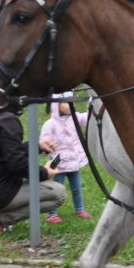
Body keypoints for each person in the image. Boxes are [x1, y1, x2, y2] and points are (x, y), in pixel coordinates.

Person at [0, 110, 65, 233]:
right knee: (58, 193)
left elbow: (7, 153)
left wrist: (37, 146)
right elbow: (18, 165)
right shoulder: (7, 120)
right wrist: (44, 173)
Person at [39, 92, 92, 224]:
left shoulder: (75, 118)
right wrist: (48, 148)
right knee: (56, 190)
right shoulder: (50, 124)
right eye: (66, 102)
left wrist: (93, 105)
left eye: (71, 101)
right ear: (56, 105)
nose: (70, 104)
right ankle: (52, 214)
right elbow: (44, 142)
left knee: (77, 188)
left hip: (74, 161)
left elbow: (88, 118)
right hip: (58, 164)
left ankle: (79, 209)